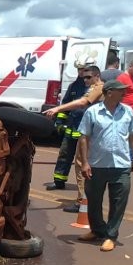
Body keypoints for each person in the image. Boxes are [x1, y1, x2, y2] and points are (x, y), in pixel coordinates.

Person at [76, 80, 133, 252]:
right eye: (121, 91)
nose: (124, 94)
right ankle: (97, 230)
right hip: (97, 164)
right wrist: (84, 162)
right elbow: (83, 138)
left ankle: (111, 236)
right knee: (94, 201)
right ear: (109, 92)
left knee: (118, 202)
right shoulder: (93, 112)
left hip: (121, 165)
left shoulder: (127, 112)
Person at [47, 59, 92, 194]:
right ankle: (59, 181)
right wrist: (60, 122)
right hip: (71, 127)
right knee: (64, 155)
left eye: (83, 69)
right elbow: (65, 105)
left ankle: (84, 189)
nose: (80, 72)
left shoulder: (92, 87)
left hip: (84, 131)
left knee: (82, 161)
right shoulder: (73, 86)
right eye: (78, 69)